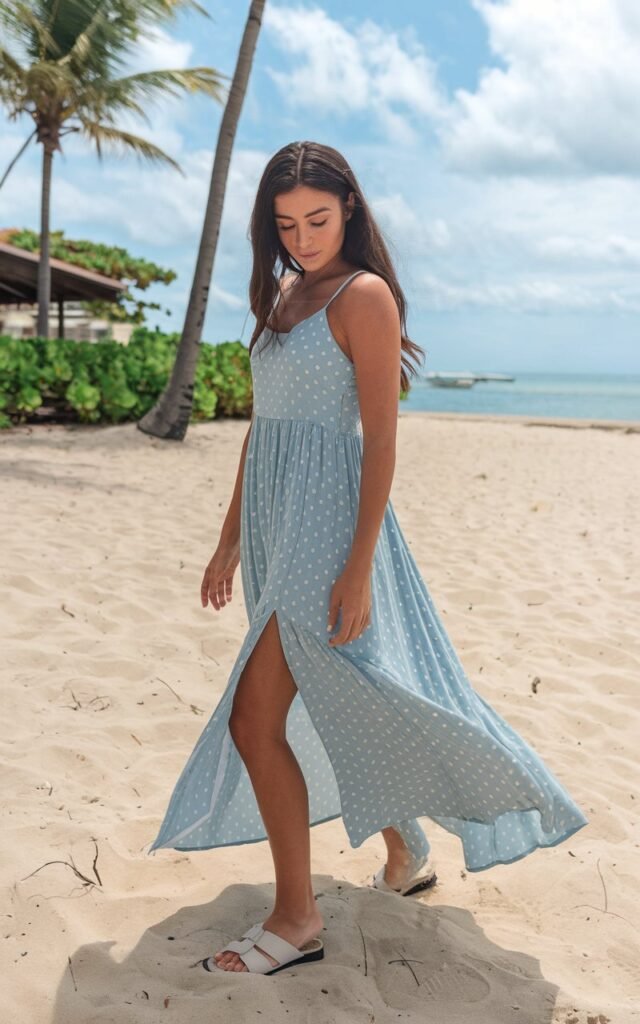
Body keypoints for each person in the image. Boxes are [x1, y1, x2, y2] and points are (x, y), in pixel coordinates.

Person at [148, 141, 589, 976]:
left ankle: (297, 917)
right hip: (276, 523)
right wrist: (229, 537)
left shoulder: (365, 296)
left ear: (349, 207)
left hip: (329, 531)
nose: (303, 238)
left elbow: (381, 441)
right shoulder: (284, 293)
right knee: (338, 690)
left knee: (255, 719)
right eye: (286, 225)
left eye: (317, 219)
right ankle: (404, 848)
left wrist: (357, 567)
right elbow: (263, 427)